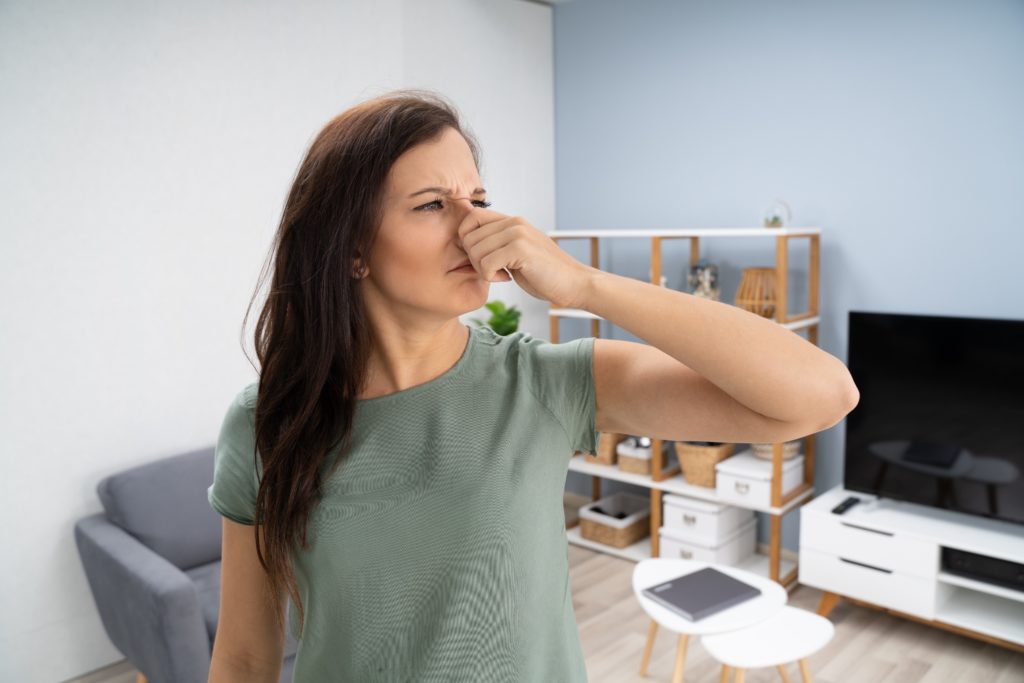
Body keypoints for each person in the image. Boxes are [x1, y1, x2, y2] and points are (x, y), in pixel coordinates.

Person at [207, 88, 598, 682]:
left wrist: (584, 287)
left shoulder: (542, 381)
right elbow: (242, 656)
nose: (476, 228)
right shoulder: (268, 421)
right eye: (433, 205)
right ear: (353, 248)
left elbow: (795, 395)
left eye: (479, 199)